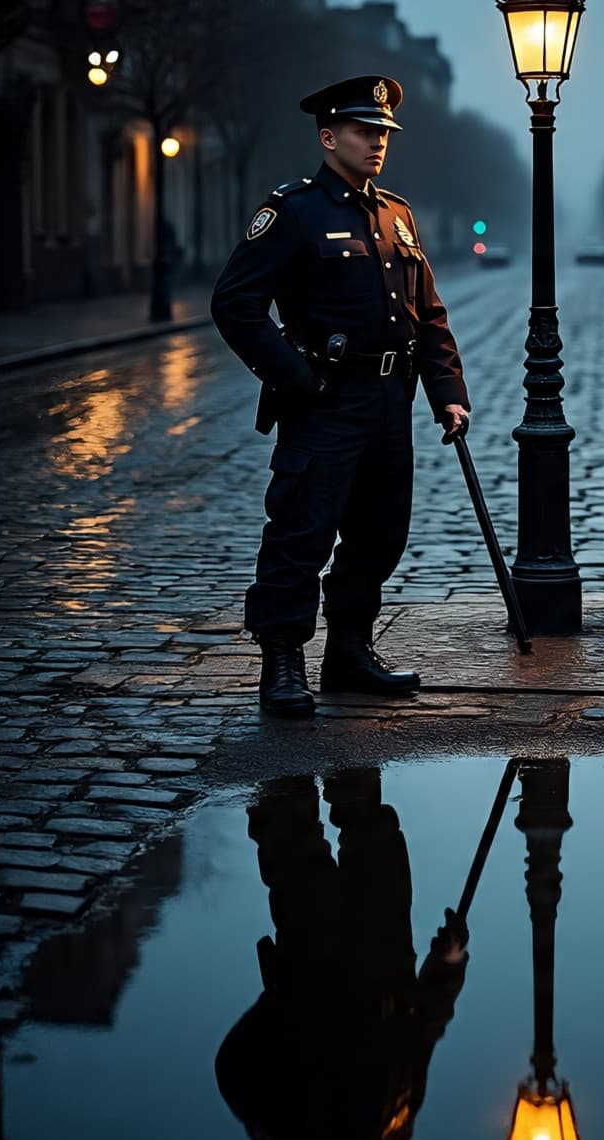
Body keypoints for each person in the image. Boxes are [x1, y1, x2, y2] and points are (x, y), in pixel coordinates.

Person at [211, 76, 471, 718]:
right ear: (329, 137)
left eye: (383, 132)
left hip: (391, 402)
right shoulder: (294, 212)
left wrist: (448, 394)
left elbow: (428, 314)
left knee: (380, 535)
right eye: (363, 131)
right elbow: (235, 304)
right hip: (326, 402)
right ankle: (282, 663)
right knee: (301, 533)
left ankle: (349, 654)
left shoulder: (396, 214)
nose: (377, 142)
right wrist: (295, 377)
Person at [215, 770, 469, 1140]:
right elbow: (423, 1032)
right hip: (386, 944)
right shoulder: (398, 1128)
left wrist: (283, 1005)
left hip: (314, 953)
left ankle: (281, 742)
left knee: (289, 829)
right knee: (370, 824)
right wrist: (448, 965)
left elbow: (234, 1070)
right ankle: (350, 727)